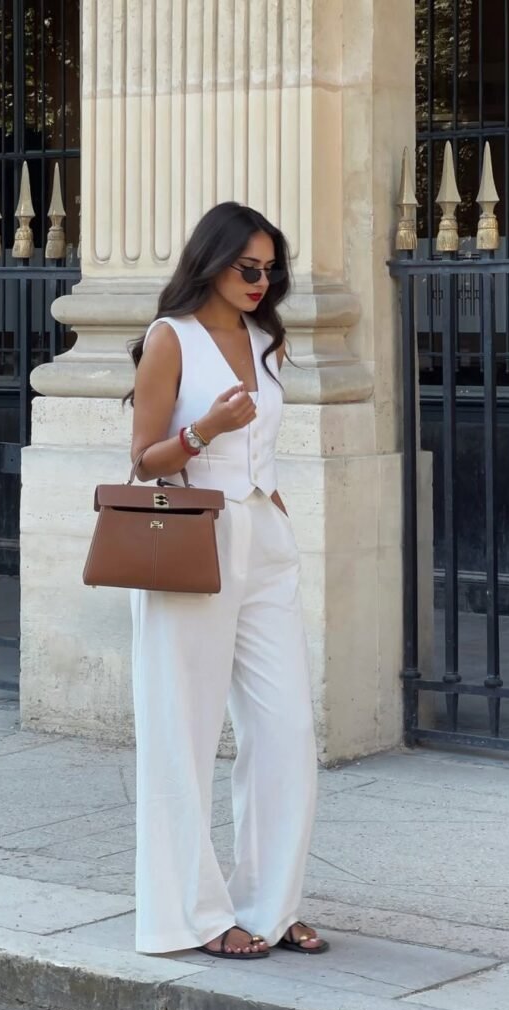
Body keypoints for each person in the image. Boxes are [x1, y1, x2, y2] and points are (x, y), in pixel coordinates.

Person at [126, 201, 328, 959]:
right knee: (182, 732)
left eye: (270, 269)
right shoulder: (168, 339)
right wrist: (204, 431)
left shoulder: (263, 338)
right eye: (249, 267)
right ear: (210, 260)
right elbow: (143, 459)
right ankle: (192, 916)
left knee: (285, 730)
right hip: (189, 542)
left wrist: (272, 507)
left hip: (264, 543)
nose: (260, 281)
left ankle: (269, 905)